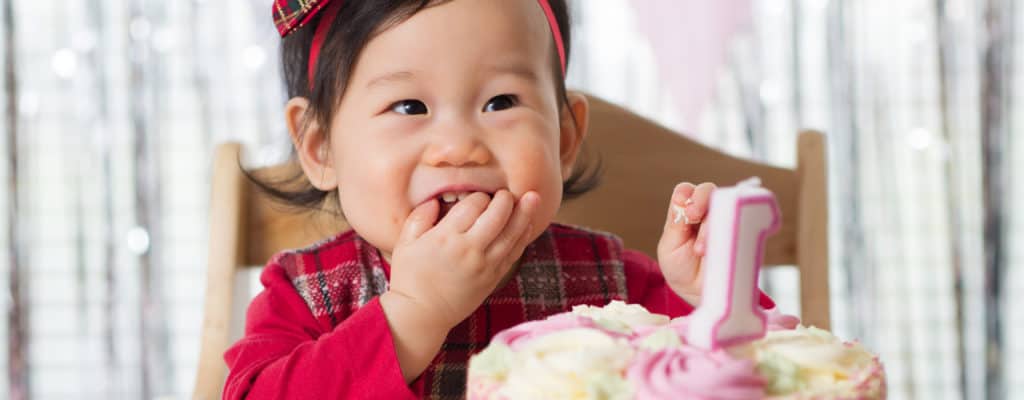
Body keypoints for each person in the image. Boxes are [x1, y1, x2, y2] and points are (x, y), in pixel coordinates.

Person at [223, 1, 775, 398]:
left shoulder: (622, 289)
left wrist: (709, 294)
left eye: (501, 100)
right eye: (409, 106)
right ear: (320, 147)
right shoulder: (304, 296)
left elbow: (774, 373)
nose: (458, 147)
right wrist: (413, 315)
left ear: (562, 139)